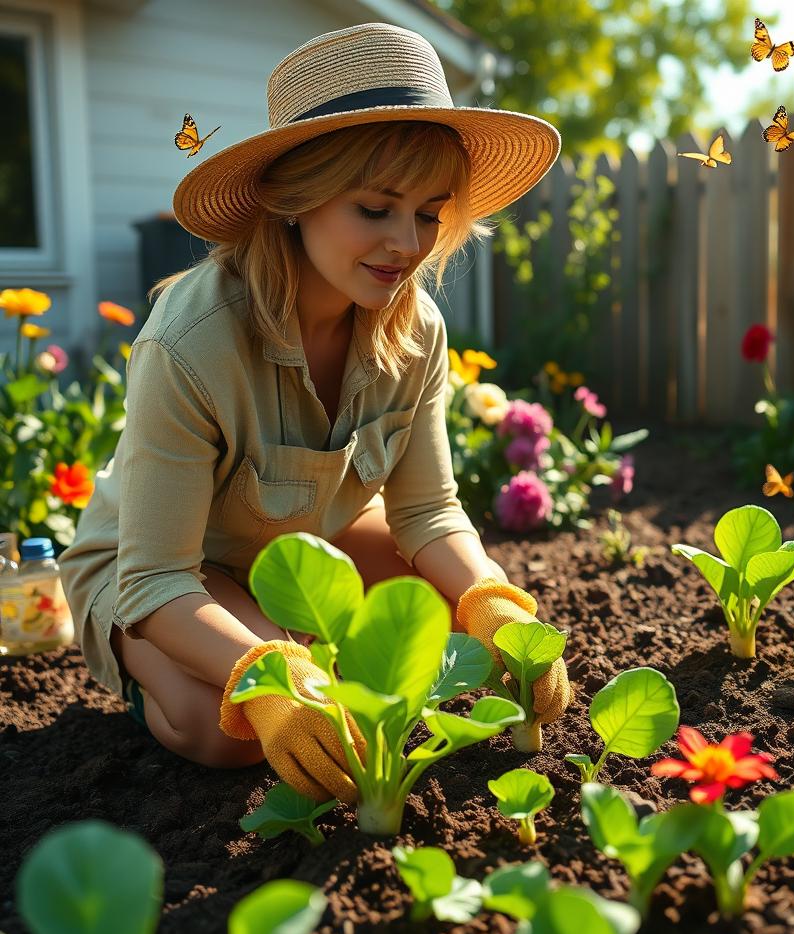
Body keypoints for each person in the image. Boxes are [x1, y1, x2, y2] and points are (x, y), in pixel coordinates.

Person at [57, 22, 571, 803]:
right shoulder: (192, 342)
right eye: (375, 208)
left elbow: (428, 512)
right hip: (167, 573)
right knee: (223, 729)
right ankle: (184, 664)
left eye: (429, 214)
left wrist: (495, 604)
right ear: (295, 198)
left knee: (444, 628)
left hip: (297, 550)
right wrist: (269, 676)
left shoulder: (415, 330)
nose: (406, 244)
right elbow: (157, 573)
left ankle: (285, 638)